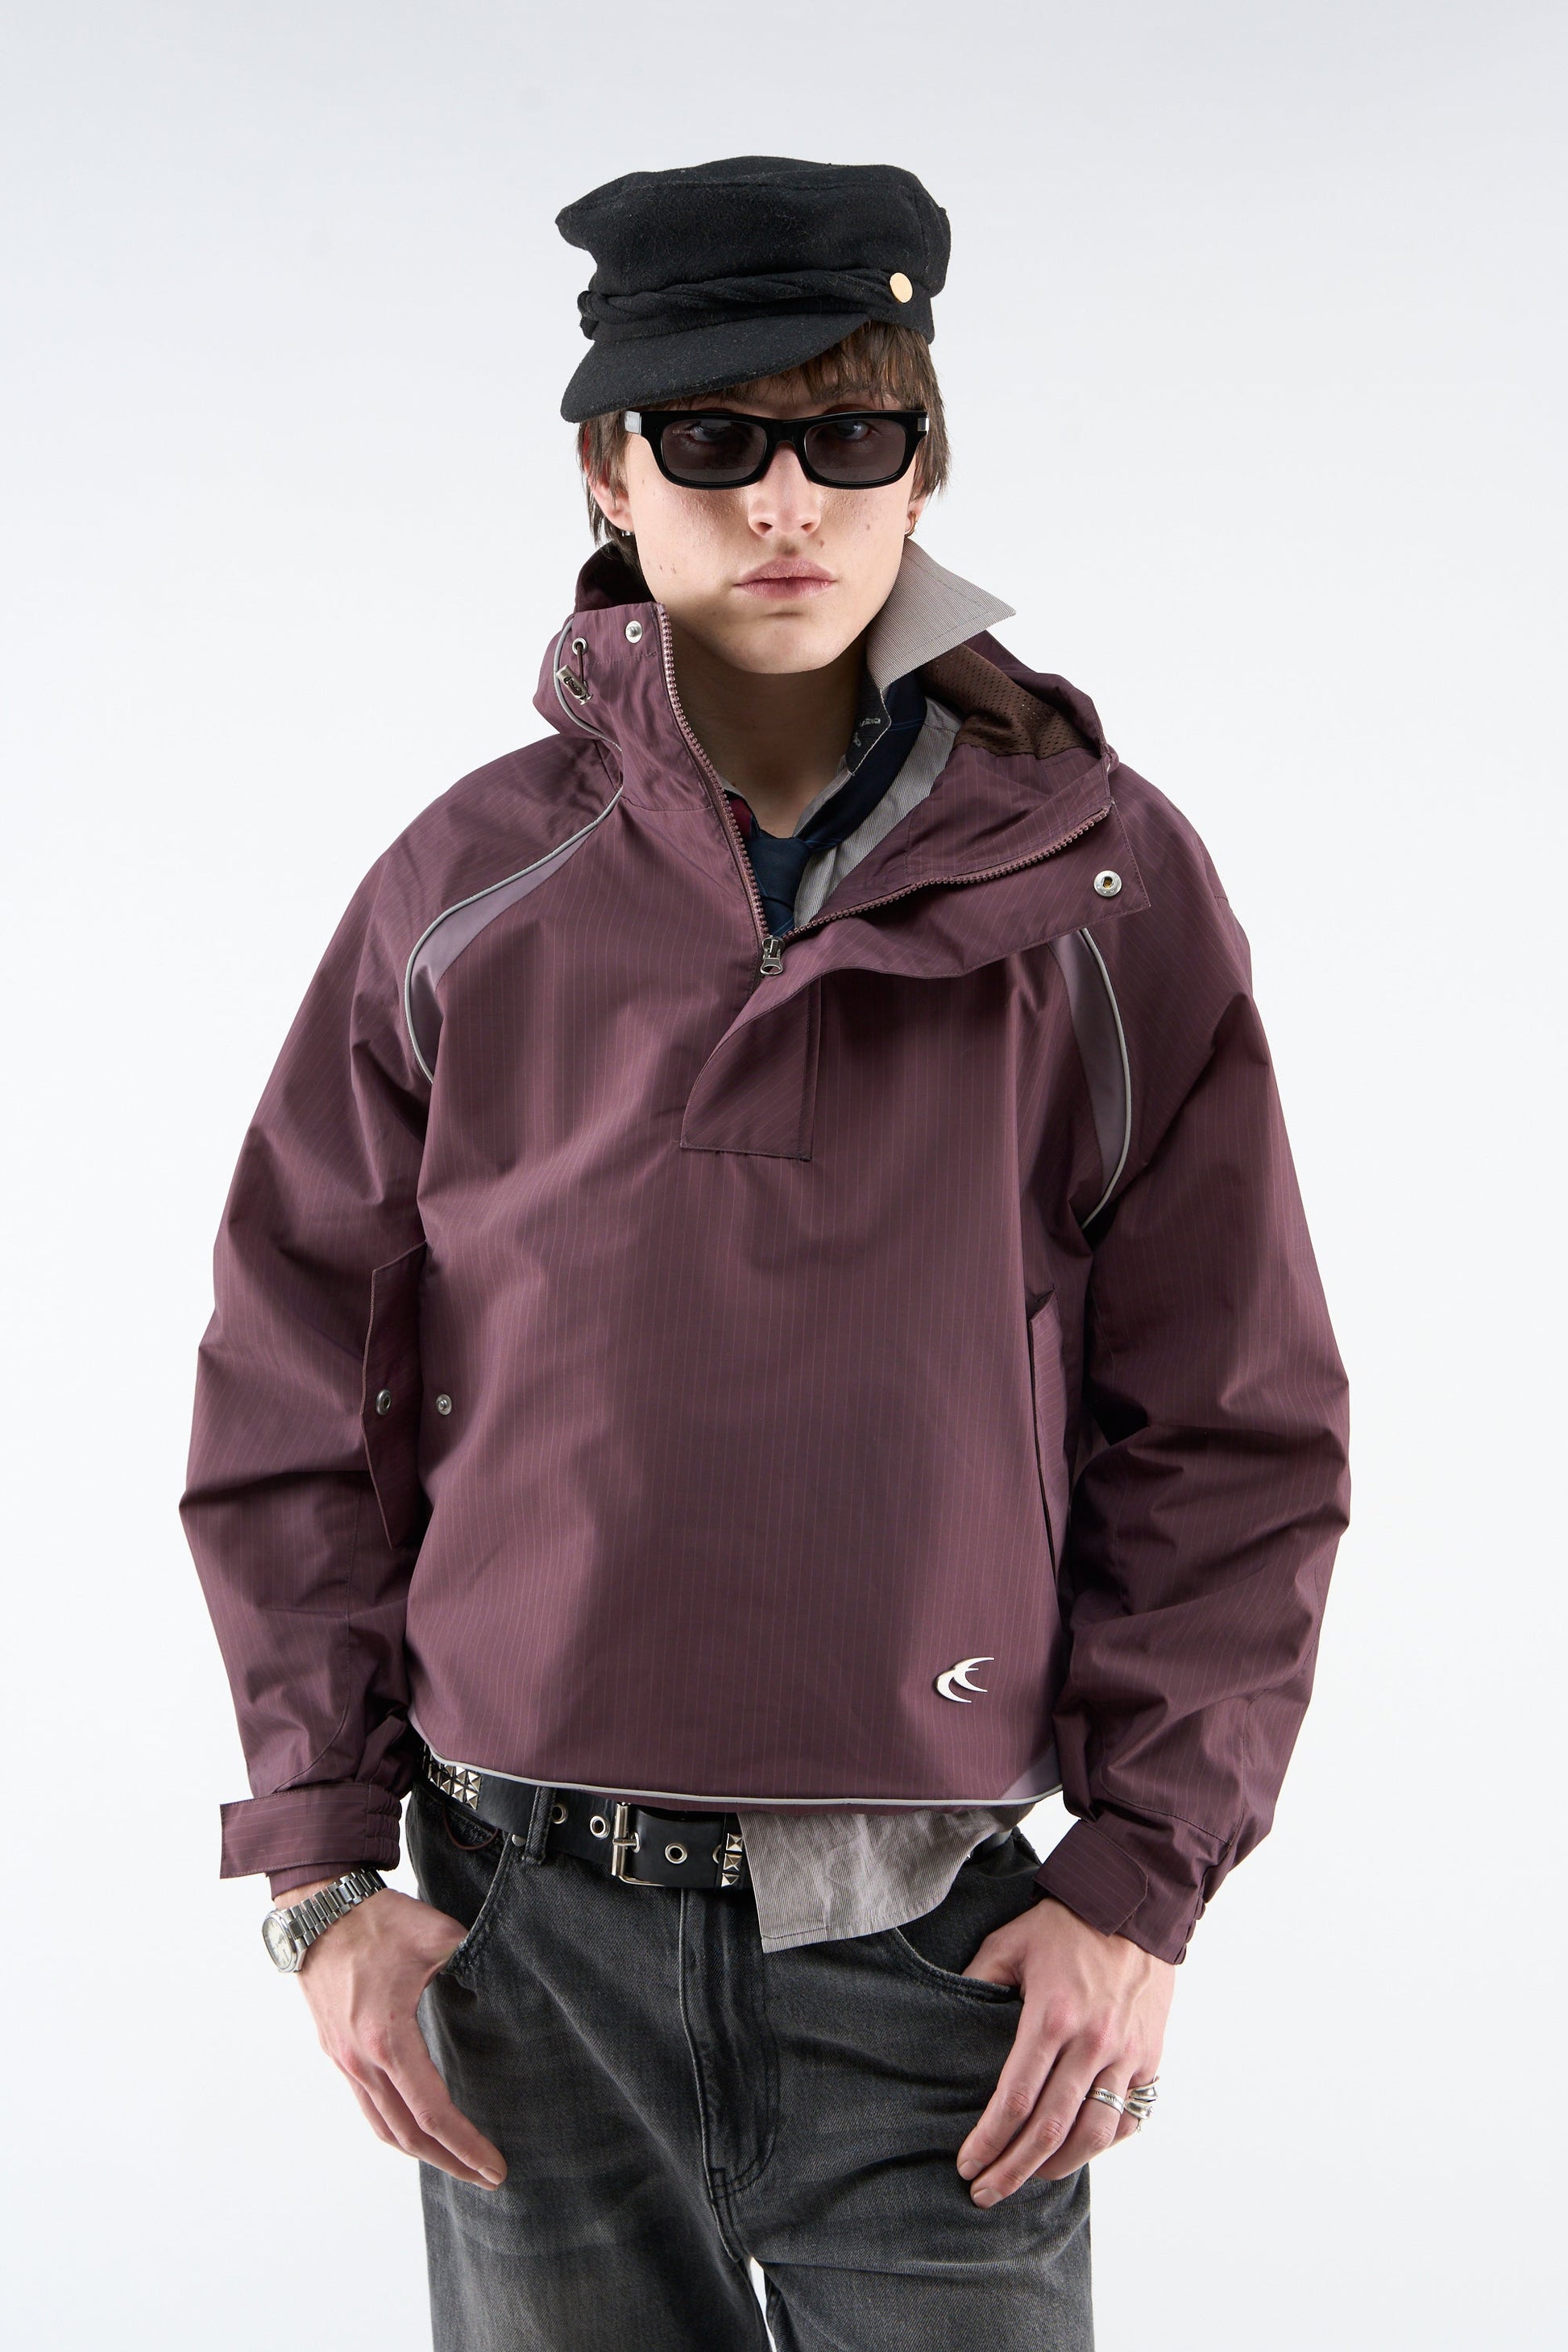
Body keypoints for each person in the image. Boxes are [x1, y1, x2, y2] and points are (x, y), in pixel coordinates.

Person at [181, 155, 1350, 2350]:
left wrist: (1141, 1882)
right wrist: (323, 1870)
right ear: (608, 475)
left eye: (850, 435)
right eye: (712, 439)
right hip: (522, 1939)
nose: (785, 501)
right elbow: (293, 1386)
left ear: (925, 469)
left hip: (939, 1958)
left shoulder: (1099, 887)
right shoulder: (462, 886)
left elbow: (1232, 1418)